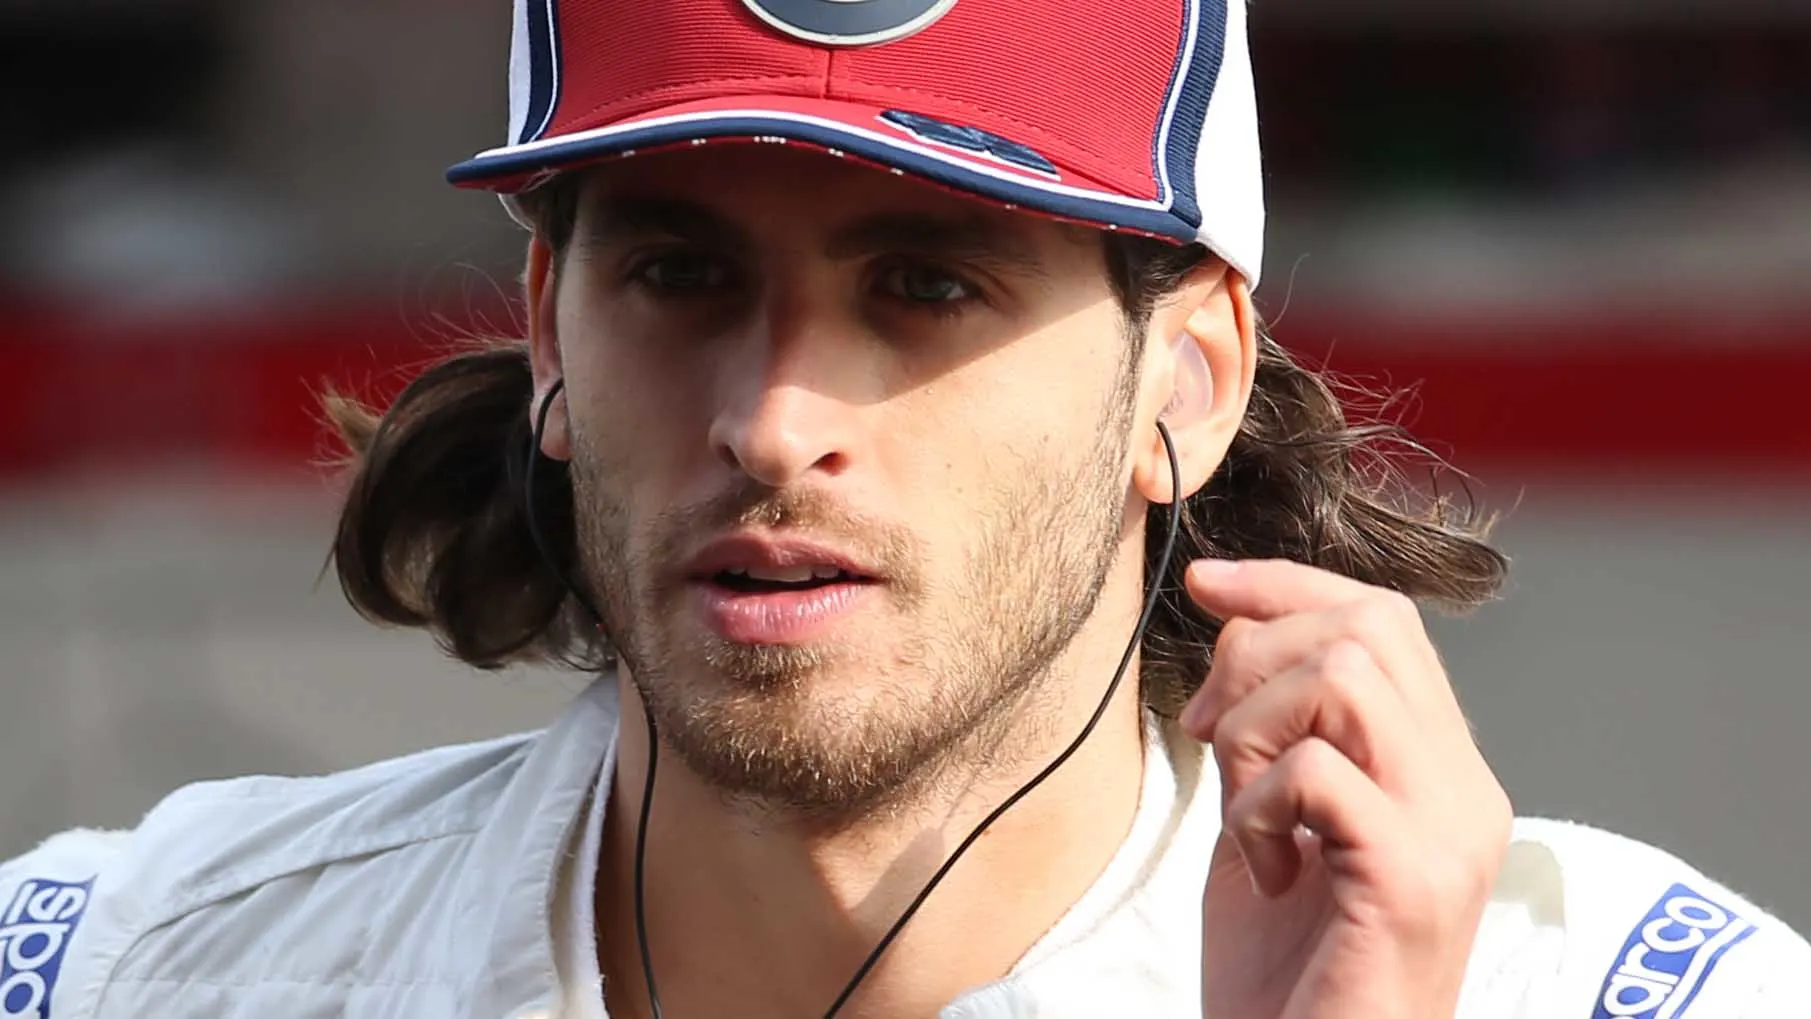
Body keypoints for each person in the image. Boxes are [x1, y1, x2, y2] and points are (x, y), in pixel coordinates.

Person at [3, 1, 1804, 1016]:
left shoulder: (1627, 999)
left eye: (925, 284)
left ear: (1185, 377)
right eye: (682, 273)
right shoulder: (111, 973)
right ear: (547, 332)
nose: (777, 418)